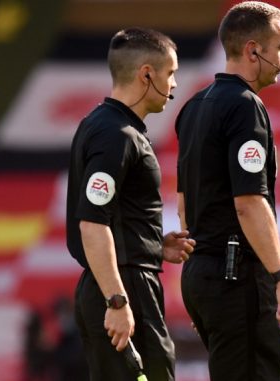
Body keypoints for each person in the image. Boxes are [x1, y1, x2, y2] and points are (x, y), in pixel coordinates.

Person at [174, 2, 280, 380]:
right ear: (252, 50)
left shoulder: (194, 106)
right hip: (236, 277)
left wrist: (200, 288)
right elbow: (249, 202)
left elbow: (184, 203)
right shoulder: (246, 107)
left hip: (203, 274)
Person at [66, 27, 195, 381]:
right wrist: (117, 301)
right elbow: (92, 223)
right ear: (147, 74)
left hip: (125, 278)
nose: (174, 85)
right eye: (170, 74)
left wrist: (152, 246)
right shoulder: (115, 135)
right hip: (124, 288)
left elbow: (114, 217)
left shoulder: (107, 126)